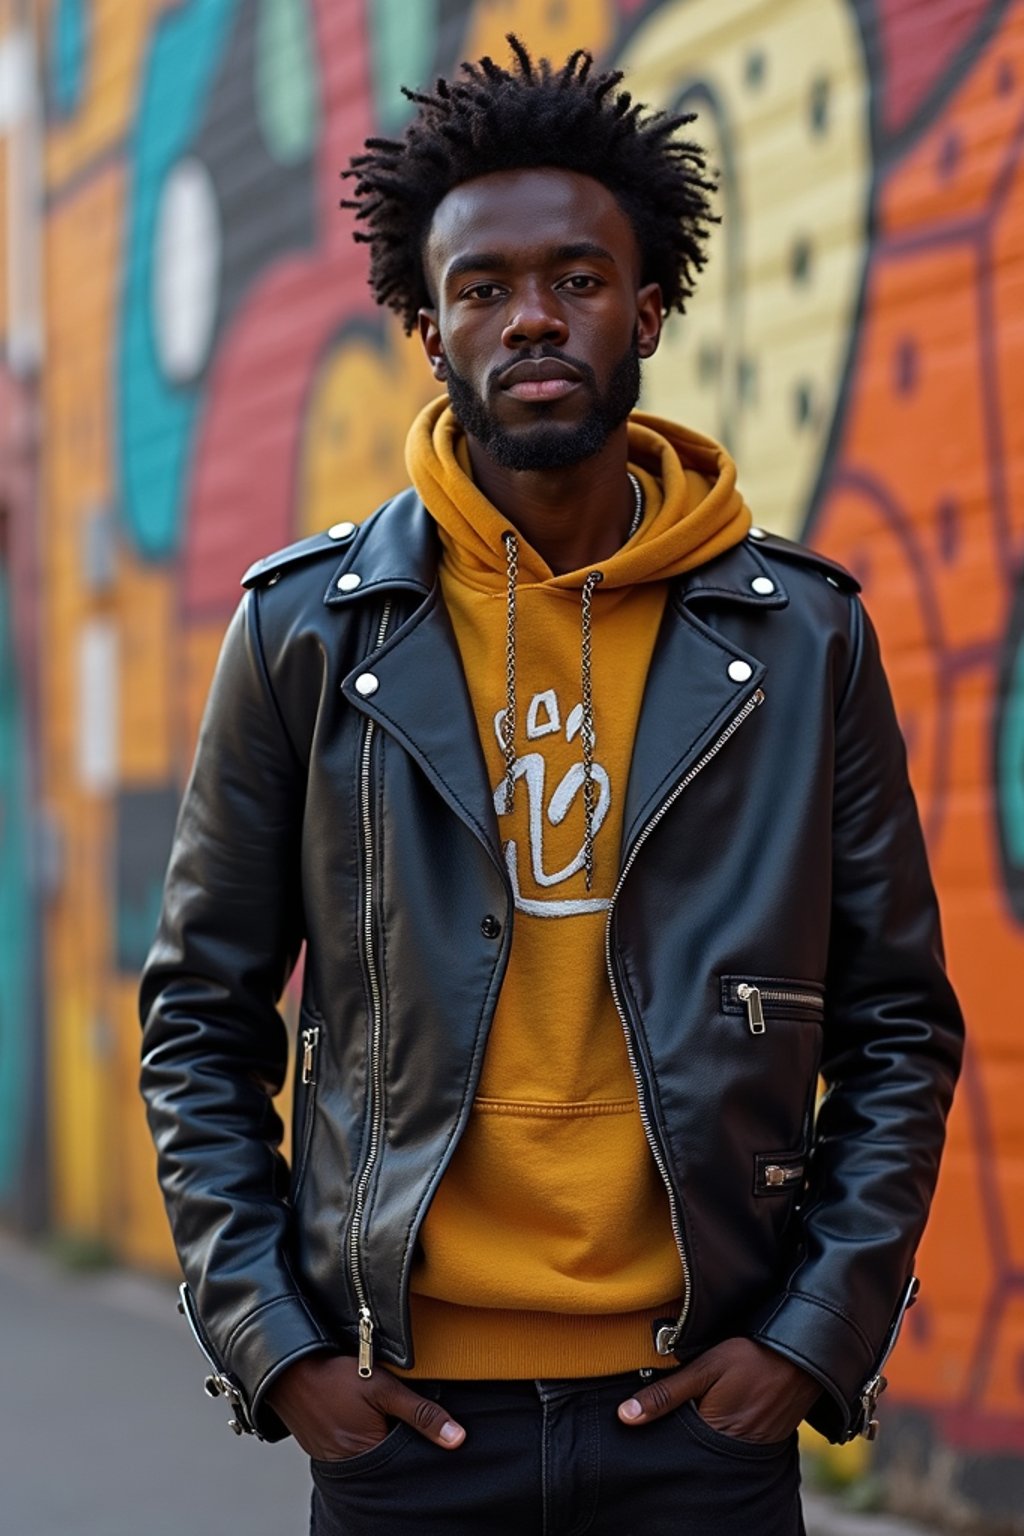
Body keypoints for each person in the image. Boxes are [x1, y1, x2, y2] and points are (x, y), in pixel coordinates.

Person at [140, 36, 964, 1536]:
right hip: (405, 1431)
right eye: (482, 288)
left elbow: (901, 1022)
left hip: (697, 1424)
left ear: (649, 307)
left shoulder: (801, 638)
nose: (533, 317)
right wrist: (278, 1348)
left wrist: (810, 1341)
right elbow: (199, 1012)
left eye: (579, 279)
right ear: (428, 325)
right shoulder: (308, 634)